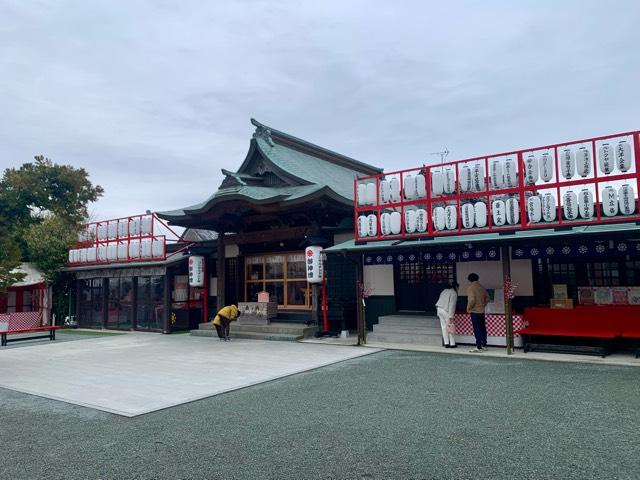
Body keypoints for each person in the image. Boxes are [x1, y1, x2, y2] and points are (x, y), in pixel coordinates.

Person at [466, 273, 489, 352]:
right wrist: (483, 305)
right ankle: (484, 344)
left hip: (475, 311)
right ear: (477, 278)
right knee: (482, 328)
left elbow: (471, 300)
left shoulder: (471, 288)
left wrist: (468, 308)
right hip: (481, 311)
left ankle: (478, 346)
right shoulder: (482, 287)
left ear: (469, 279)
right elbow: (488, 298)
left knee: (477, 329)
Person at [435, 282, 458, 348]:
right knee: (450, 326)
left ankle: (446, 343)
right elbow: (452, 305)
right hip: (446, 310)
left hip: (439, 309)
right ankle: (452, 343)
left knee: (444, 327)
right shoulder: (454, 293)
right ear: (456, 287)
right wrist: (451, 315)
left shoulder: (444, 291)